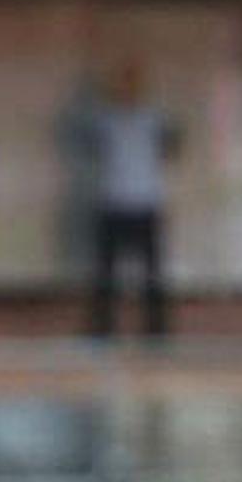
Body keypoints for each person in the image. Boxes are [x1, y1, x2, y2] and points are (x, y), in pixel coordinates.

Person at [80, 57, 179, 341]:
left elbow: (172, 145)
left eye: (131, 82)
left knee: (153, 275)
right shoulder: (105, 119)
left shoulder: (153, 118)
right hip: (113, 202)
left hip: (146, 202)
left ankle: (157, 333)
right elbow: (88, 143)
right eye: (122, 82)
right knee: (105, 274)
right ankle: (102, 331)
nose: (126, 88)